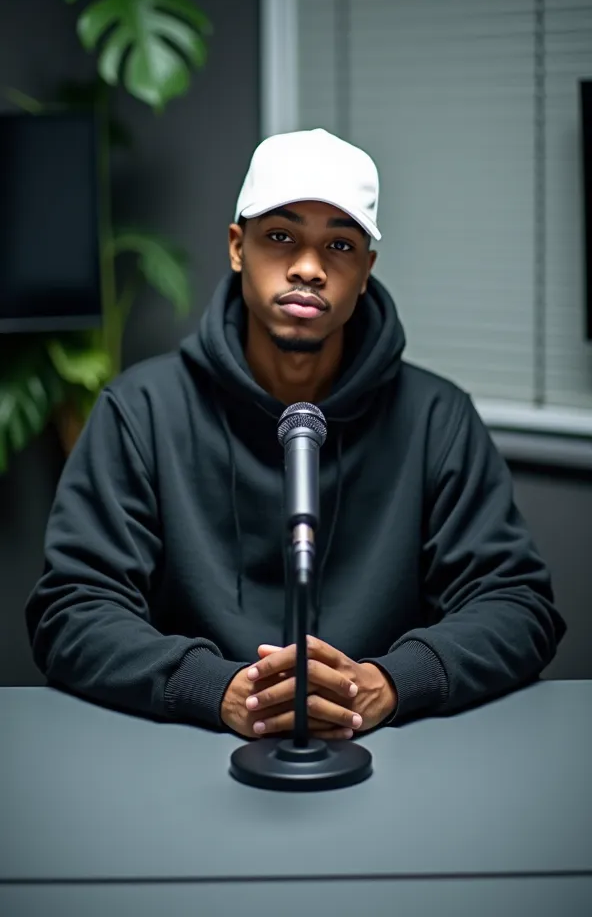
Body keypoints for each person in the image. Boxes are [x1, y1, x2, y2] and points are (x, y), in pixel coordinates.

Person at [25, 128, 566, 742]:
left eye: (338, 244)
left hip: (389, 754)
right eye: (280, 236)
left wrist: (388, 683)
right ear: (237, 247)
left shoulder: (436, 417)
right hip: (188, 749)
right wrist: (217, 688)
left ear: (365, 272)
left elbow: (518, 606)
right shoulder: (141, 410)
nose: (308, 267)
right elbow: (72, 611)